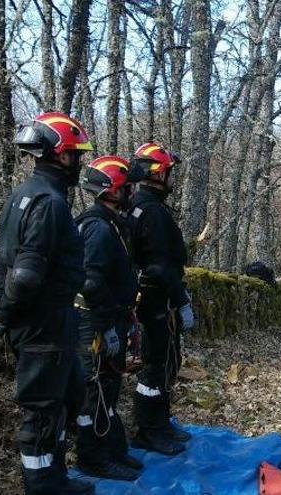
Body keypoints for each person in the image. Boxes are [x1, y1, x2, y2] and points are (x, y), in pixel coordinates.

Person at [0, 112, 94, 494]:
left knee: (62, 402)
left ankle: (56, 481)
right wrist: (2, 316)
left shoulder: (21, 196)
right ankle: (43, 487)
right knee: (41, 414)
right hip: (44, 326)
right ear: (57, 155)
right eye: (75, 155)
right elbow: (23, 275)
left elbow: (2, 261)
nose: (80, 163)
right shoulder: (50, 204)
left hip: (50, 325)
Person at [74, 156, 145, 480]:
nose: (134, 192)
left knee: (110, 387)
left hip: (110, 317)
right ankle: (93, 458)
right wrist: (106, 327)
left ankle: (112, 449)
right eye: (129, 187)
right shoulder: (99, 228)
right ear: (115, 192)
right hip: (94, 322)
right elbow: (90, 283)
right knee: (96, 390)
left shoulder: (112, 223)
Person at [129, 142, 194, 455]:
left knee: (163, 362)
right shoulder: (151, 211)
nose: (172, 179)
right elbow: (158, 265)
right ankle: (149, 429)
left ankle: (160, 421)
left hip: (151, 299)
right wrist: (180, 299)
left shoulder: (138, 204)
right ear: (159, 174)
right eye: (170, 173)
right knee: (155, 365)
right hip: (155, 302)